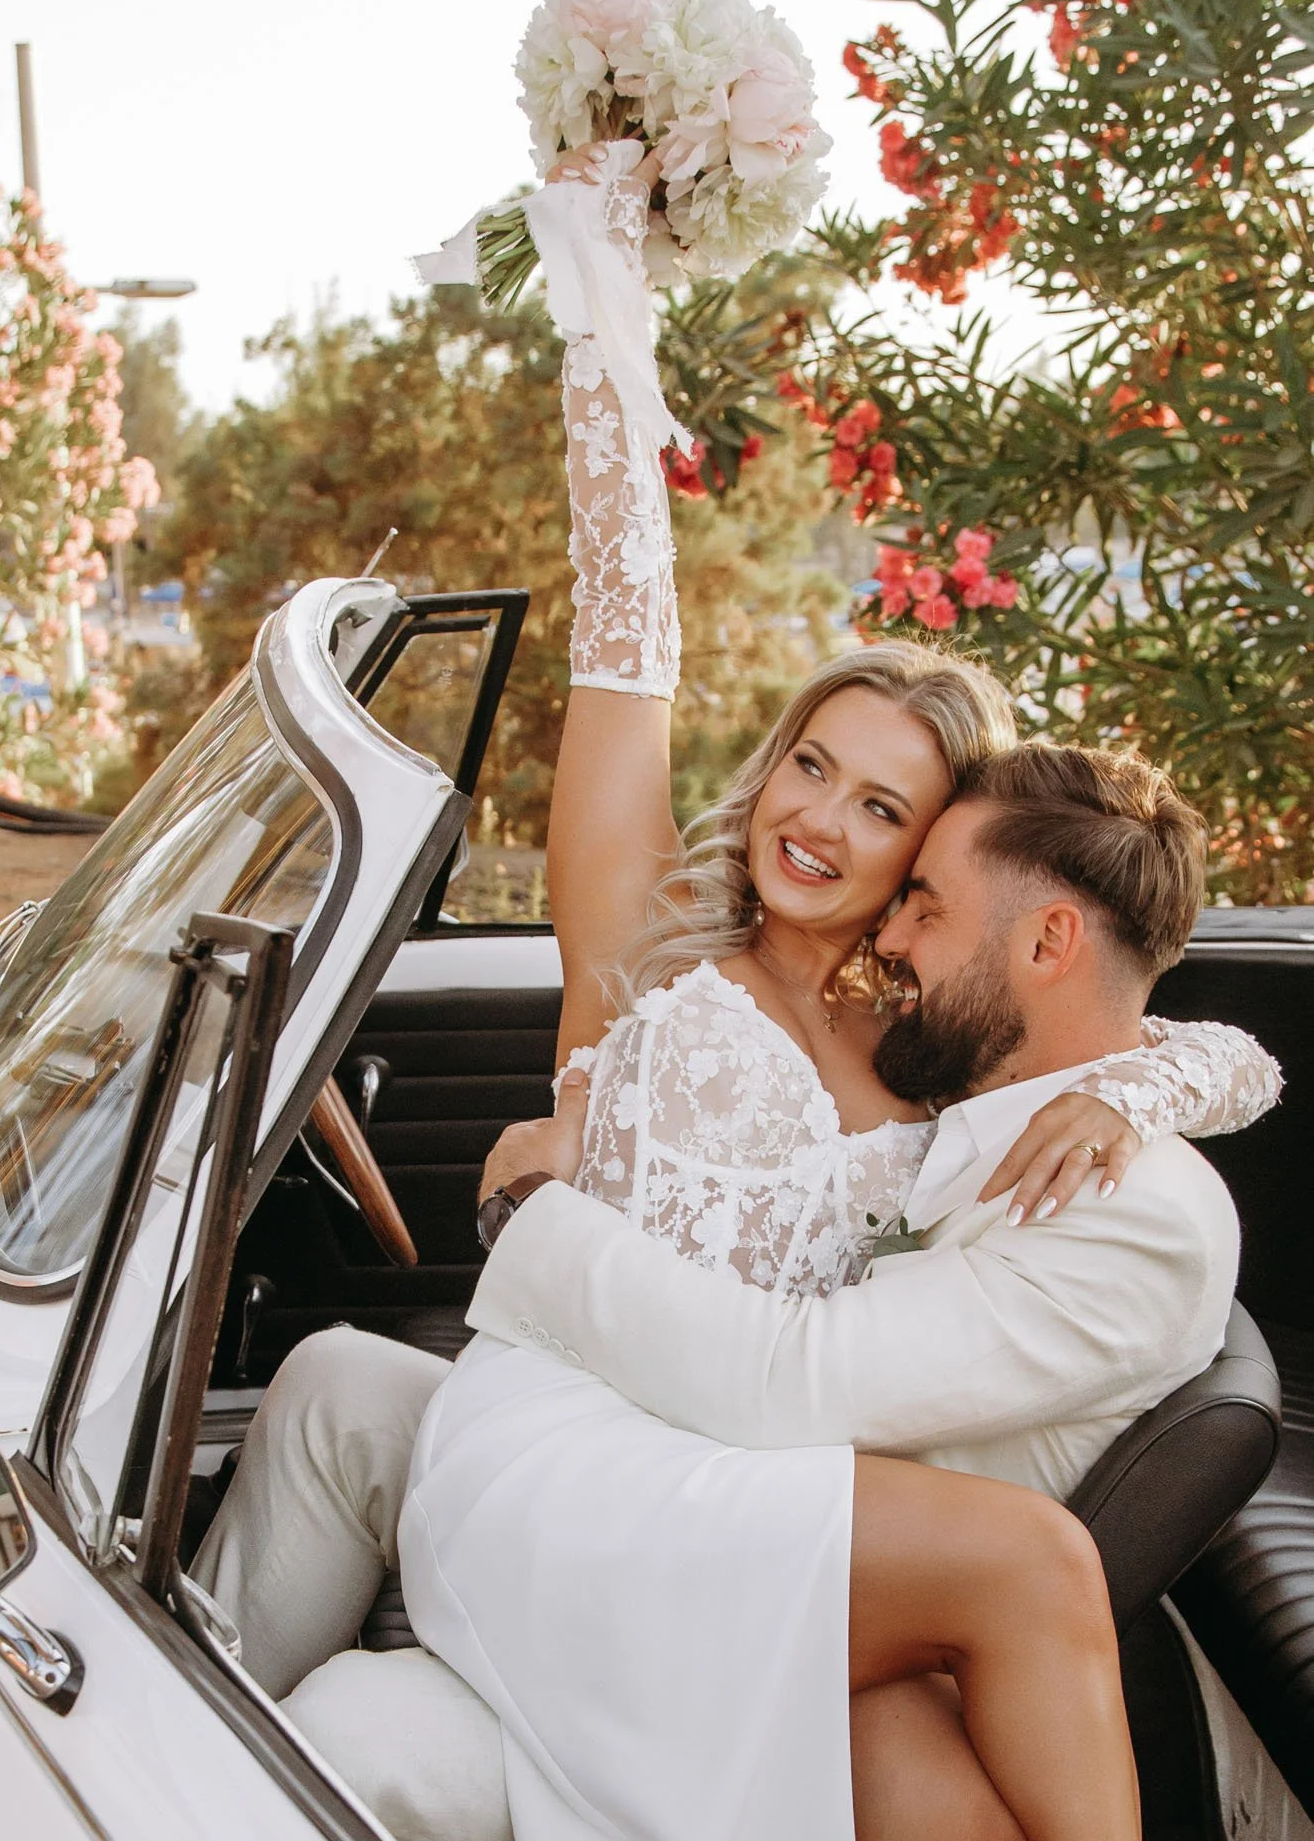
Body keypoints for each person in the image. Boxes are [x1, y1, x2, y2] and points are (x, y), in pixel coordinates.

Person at [192, 145, 1279, 1841]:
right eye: (808, 764)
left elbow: (1147, 1033)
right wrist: (604, 324)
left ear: (939, 865)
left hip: (706, 1506)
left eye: (885, 817)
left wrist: (1144, 1083)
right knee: (332, 1378)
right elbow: (629, 647)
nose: (818, 824)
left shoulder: (937, 1056)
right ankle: (137, 1731)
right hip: (579, 1445)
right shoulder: (653, 947)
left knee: (370, 1679)